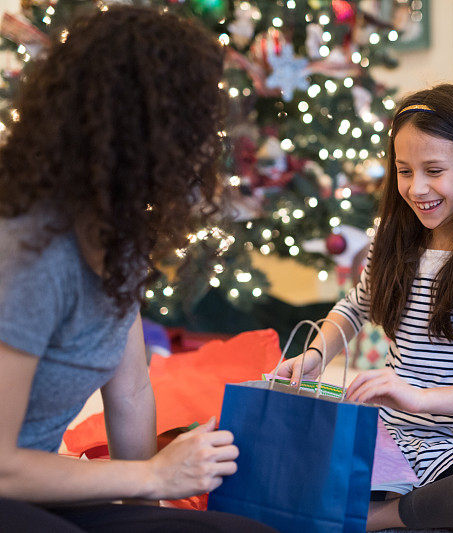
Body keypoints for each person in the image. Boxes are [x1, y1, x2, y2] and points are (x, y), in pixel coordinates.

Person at [0, 6, 273, 531]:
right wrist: (153, 477)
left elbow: (129, 392)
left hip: (34, 493)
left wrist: (154, 513)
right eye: (196, 121)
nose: (206, 144)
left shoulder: (116, 234)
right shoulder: (31, 251)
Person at [275, 84, 453, 532]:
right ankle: (440, 514)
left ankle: (387, 517)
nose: (416, 188)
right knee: (292, 459)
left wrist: (419, 398)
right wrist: (316, 355)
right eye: (404, 171)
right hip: (393, 442)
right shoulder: (390, 239)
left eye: (434, 170)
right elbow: (355, 307)